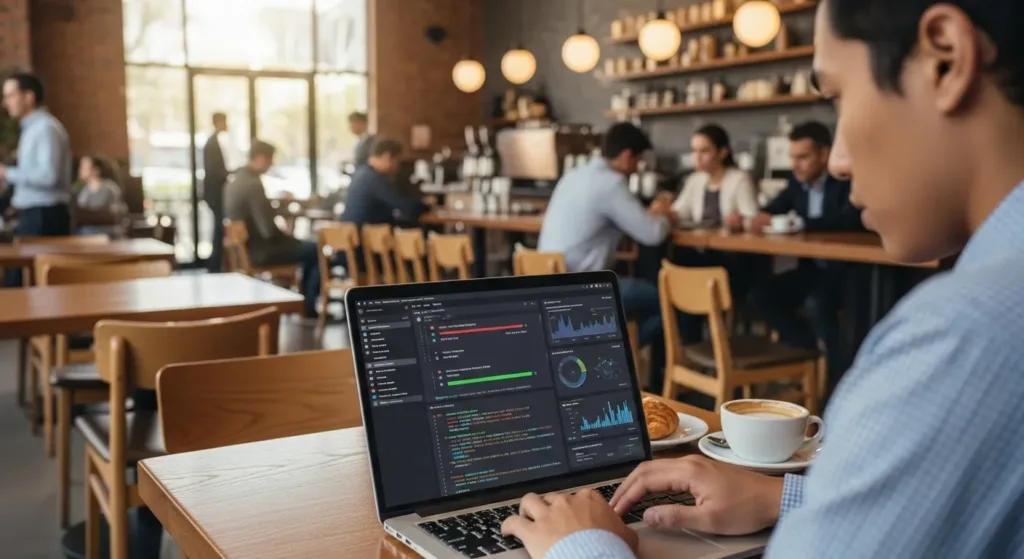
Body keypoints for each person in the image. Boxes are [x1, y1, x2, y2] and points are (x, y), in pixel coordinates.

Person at [500, 0, 1024, 557]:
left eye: (838, 96)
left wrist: (582, 545)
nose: (839, 161)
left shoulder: (963, 333)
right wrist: (787, 498)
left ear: (944, 58)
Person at [538, 123, 675, 390]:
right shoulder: (610, 184)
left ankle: (606, 351)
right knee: (669, 300)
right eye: (638, 159)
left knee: (648, 295)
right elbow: (652, 234)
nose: (638, 166)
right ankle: (622, 356)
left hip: (551, 283)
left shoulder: (575, 175)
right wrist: (664, 215)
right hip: (583, 288)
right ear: (626, 155)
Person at [746, 121, 861, 388]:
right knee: (758, 297)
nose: (795, 164)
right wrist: (761, 216)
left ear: (824, 154)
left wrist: (804, 223)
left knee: (816, 304)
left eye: (803, 157)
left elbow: (850, 219)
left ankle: (834, 384)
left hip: (845, 272)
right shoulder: (796, 183)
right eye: (792, 157)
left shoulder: (844, 181)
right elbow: (774, 208)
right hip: (812, 271)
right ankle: (811, 347)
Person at [224, 140, 320, 320]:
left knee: (306, 247)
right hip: (261, 251)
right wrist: (291, 238)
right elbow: (268, 230)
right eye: (271, 160)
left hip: (246, 249)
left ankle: (300, 302)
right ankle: (307, 308)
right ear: (261, 158)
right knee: (315, 250)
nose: (272, 164)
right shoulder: (253, 185)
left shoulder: (234, 181)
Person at [0, 73, 72, 286]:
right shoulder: (32, 129)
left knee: (37, 286)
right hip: (35, 215)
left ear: (29, 97)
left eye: (11, 95)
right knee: (20, 281)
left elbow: (49, 176)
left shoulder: (45, 128)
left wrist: (7, 173)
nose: (6, 103)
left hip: (44, 217)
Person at [671, 124, 758, 230]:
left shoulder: (740, 179)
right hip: (699, 242)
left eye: (704, 151)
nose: (697, 158)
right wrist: (664, 212)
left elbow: (753, 218)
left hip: (729, 244)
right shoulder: (694, 179)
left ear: (722, 152)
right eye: (694, 151)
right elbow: (680, 212)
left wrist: (741, 221)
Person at [339, 137, 427, 227]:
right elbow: (408, 208)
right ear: (387, 156)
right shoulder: (375, 179)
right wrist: (426, 204)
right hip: (367, 237)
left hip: (349, 236)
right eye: (397, 161)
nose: (397, 168)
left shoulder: (360, 173)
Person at [203, 112, 230, 273]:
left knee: (219, 229)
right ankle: (215, 265)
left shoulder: (213, 142)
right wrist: (229, 173)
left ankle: (216, 264)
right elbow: (215, 172)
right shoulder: (212, 144)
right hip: (215, 194)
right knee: (219, 230)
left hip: (214, 193)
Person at [74, 155, 124, 236]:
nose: (81, 170)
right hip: (86, 232)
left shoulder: (110, 188)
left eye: (84, 167)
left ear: (95, 170)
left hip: (107, 231)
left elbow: (118, 211)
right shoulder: (83, 190)